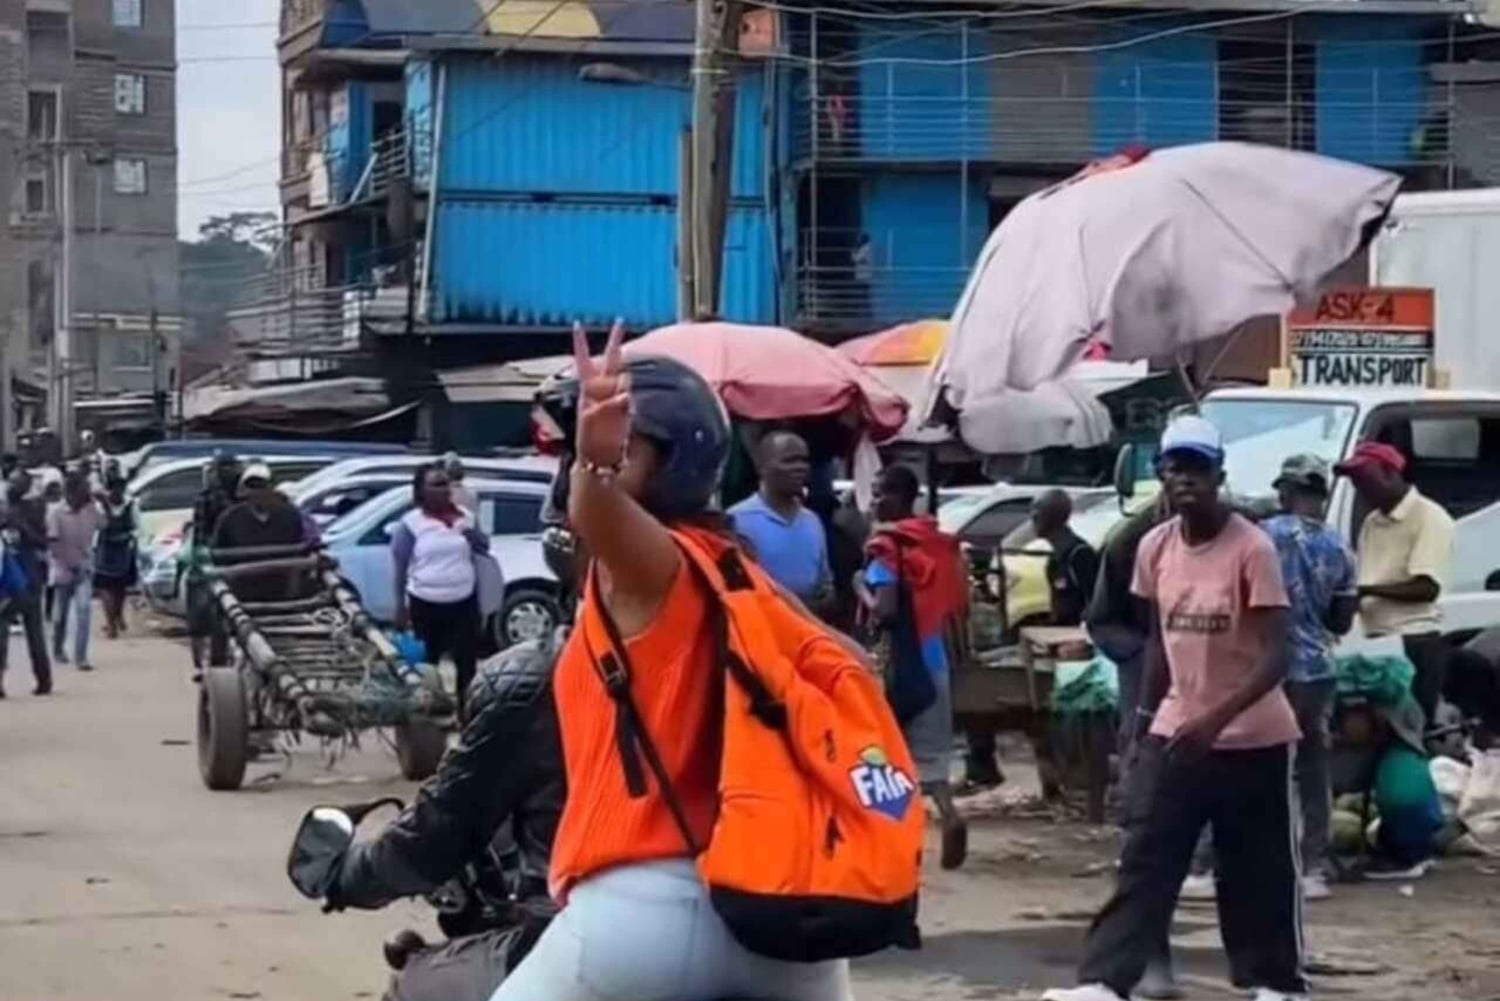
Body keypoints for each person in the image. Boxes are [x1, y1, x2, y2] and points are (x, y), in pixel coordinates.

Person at [489, 323, 851, 1001]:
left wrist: (598, 469)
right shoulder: (739, 574)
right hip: (788, 918)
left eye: (626, 447)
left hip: (651, 910)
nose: (568, 473)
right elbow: (853, 668)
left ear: (673, 463)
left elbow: (598, 517)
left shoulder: (651, 569)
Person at [1045, 415, 1305, 1001]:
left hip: (1252, 737)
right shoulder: (1155, 546)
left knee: (1255, 868)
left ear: (1219, 474)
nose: (1186, 478)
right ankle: (1107, 980)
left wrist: (1218, 717)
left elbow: (1276, 655)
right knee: (1147, 855)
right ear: (1161, 474)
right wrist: (1142, 722)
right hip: (1177, 729)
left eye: (1198, 468)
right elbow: (1159, 639)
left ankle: (1275, 983)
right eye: (1175, 467)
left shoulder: (1252, 548)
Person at [327, 633, 567, 1001]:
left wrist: (351, 873)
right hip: (676, 911)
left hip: (584, 929)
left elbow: (435, 835)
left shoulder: (535, 679)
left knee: (415, 987)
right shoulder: (681, 664)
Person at [855, 462, 971, 870]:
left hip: (897, 664)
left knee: (884, 754)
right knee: (934, 753)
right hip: (936, 658)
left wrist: (860, 590)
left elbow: (884, 612)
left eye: (881, 493)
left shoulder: (887, 549)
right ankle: (950, 814)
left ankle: (898, 838)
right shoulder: (938, 543)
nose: (875, 502)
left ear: (902, 497)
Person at [1259, 454, 1359, 900]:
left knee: (1257, 765)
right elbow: (1341, 620)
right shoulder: (1340, 548)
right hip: (1316, 671)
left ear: (1284, 492)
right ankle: (1313, 867)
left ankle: (1239, 862)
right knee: (1312, 770)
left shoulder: (1262, 538)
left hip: (1265, 668)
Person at [1336, 441, 1456, 729]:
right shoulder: (1372, 522)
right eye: (1355, 481)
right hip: (1379, 643)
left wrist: (1366, 591)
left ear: (1391, 473)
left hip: (1415, 642)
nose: (1359, 487)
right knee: (1378, 733)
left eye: (1364, 478)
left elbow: (1426, 588)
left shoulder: (1430, 517)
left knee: (1410, 733)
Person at [393, 463, 489, 720]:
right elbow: (400, 567)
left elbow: (484, 547)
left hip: (463, 601)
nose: (443, 489)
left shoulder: (465, 517)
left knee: (466, 664)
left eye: (445, 483)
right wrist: (400, 608)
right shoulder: (410, 525)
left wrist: (471, 535)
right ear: (421, 491)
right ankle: (429, 719)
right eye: (435, 484)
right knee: (428, 666)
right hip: (425, 603)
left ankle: (466, 716)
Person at [729, 430, 834, 613]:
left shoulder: (812, 521)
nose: (800, 467)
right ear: (762, 467)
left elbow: (824, 583)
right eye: (790, 460)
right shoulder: (737, 520)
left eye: (804, 460)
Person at [187, 451, 244, 670]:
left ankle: (210, 663)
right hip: (219, 561)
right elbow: (202, 535)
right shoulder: (208, 498)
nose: (230, 473)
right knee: (207, 613)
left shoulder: (242, 498)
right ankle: (207, 664)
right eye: (225, 468)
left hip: (236, 561)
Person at [0, 469, 53, 696]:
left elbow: (44, 543)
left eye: (15, 483)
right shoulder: (5, 513)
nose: (11, 487)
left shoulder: (32, 512)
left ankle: (44, 679)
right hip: (9, 580)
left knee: (32, 632)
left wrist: (22, 528)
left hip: (26, 578)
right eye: (10, 482)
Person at [47, 473, 101, 670]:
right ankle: (58, 648)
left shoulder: (90, 510)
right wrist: (69, 563)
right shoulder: (56, 512)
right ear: (71, 492)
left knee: (84, 611)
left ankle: (81, 656)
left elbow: (105, 524)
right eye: (83, 489)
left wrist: (102, 503)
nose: (86, 492)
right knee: (60, 615)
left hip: (84, 568)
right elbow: (53, 544)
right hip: (63, 569)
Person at [1033, 489, 1100, 628]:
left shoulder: (1079, 554)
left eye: (1038, 512)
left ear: (1052, 517)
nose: (1033, 518)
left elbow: (1095, 604)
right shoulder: (1055, 558)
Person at [94, 473, 137, 638]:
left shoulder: (130, 505)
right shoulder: (100, 507)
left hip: (124, 550)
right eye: (115, 489)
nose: (117, 493)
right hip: (105, 550)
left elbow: (136, 527)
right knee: (105, 587)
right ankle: (111, 623)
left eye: (120, 489)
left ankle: (117, 616)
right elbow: (98, 526)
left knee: (120, 588)